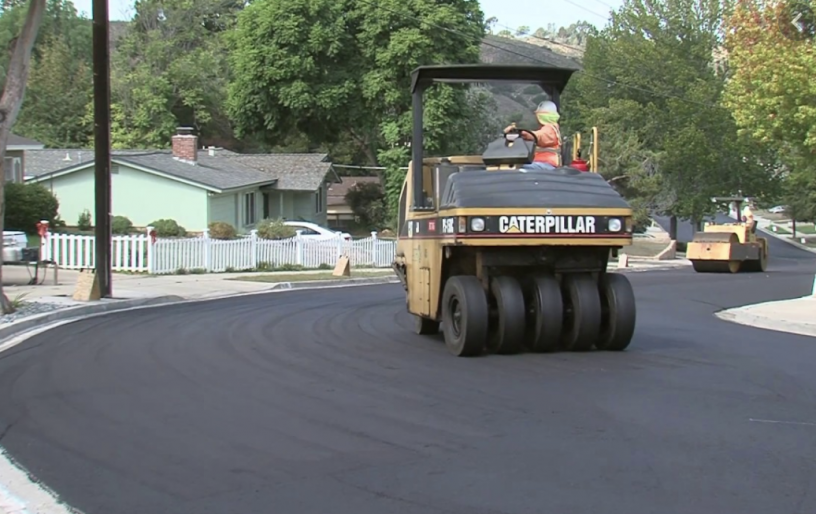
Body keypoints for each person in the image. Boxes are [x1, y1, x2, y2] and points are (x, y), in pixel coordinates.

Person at [503, 100, 562, 171]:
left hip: (548, 164)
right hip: (540, 163)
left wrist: (523, 133)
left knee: (519, 168)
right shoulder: (549, 129)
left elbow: (539, 136)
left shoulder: (550, 129)